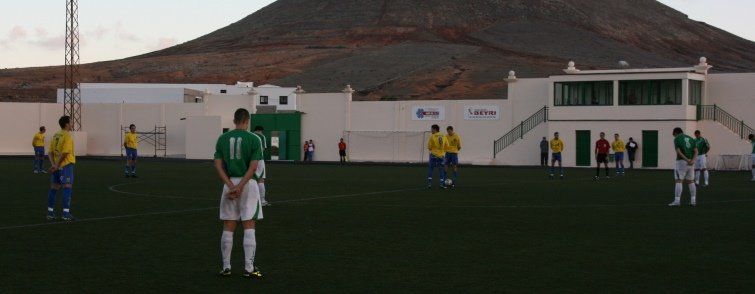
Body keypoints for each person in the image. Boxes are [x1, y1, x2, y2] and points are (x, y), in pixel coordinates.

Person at [214, 108, 264, 278]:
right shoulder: (254, 139)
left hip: (229, 183)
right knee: (248, 224)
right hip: (248, 184)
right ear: (247, 121)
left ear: (234, 120)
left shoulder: (222, 138)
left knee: (229, 225)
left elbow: (218, 166)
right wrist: (241, 186)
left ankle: (226, 267)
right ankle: (249, 268)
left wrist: (230, 186)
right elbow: (253, 167)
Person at [46, 116, 76, 221]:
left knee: (54, 188)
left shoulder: (56, 135)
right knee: (67, 187)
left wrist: (54, 165)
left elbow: (50, 152)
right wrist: (57, 165)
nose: (72, 124)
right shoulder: (67, 136)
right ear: (67, 124)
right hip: (66, 165)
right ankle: (65, 214)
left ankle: (50, 213)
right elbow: (65, 153)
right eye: (71, 122)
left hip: (57, 167)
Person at [669, 127, 698, 207]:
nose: (673, 136)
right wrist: (692, 161)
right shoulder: (691, 138)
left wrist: (686, 160)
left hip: (681, 162)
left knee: (679, 181)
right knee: (691, 181)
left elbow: (678, 151)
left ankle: (677, 201)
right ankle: (693, 201)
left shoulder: (677, 138)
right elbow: (696, 151)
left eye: (673, 134)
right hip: (691, 162)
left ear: (676, 133)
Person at [427, 124, 449, 188]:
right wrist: (442, 152)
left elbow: (429, 147)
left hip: (433, 155)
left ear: (435, 129)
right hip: (441, 156)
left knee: (431, 169)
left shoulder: (432, 136)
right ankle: (441, 184)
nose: (431, 130)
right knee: (441, 170)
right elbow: (447, 145)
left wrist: (434, 150)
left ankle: (429, 184)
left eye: (431, 129)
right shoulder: (444, 136)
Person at [252, 126, 269, 206]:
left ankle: (250, 200)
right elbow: (263, 149)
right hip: (259, 160)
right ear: (261, 131)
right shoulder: (262, 137)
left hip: (249, 160)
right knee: (261, 180)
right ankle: (262, 201)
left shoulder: (250, 135)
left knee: (250, 179)